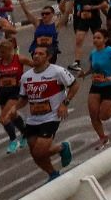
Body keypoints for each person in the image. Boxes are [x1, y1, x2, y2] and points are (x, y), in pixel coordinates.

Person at [19, 45, 78, 180]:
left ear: (48, 57)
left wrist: (65, 103)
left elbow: (75, 85)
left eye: (40, 54)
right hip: (32, 119)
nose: (36, 56)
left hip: (51, 117)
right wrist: (13, 109)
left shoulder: (57, 72)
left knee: (39, 152)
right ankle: (53, 174)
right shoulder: (26, 77)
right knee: (35, 154)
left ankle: (61, 148)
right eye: (35, 53)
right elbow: (23, 98)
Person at [85, 28, 111, 150]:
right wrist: (85, 73)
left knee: (104, 116)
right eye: (94, 38)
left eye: (98, 38)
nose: (95, 40)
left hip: (110, 86)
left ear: (105, 39)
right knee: (93, 115)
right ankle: (103, 137)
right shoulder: (93, 53)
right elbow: (93, 68)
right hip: (96, 86)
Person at [0, 37, 28, 154]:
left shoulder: (19, 59)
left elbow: (35, 65)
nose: (1, 54)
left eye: (3, 52)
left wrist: (27, 79)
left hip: (16, 92)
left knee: (3, 118)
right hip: (3, 93)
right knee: (13, 115)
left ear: (10, 50)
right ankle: (25, 133)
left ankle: (13, 141)